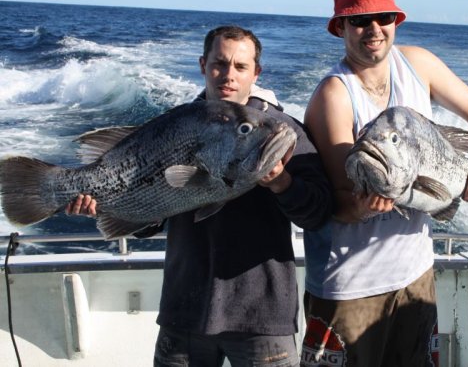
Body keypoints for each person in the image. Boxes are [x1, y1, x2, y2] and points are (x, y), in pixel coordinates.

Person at [67, 25, 333, 366]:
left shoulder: (283, 132)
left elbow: (318, 213)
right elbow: (150, 221)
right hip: (185, 311)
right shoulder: (173, 127)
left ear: (257, 73)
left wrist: (282, 183)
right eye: (219, 64)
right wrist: (106, 204)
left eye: (240, 67)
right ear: (203, 65)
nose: (228, 75)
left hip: (261, 317)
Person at [300, 0, 468, 366]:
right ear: (340, 27)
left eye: (384, 17)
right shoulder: (334, 95)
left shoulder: (418, 64)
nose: (374, 29)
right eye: (359, 21)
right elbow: (340, 201)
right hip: (350, 287)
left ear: (396, 21)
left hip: (416, 277)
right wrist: (365, 207)